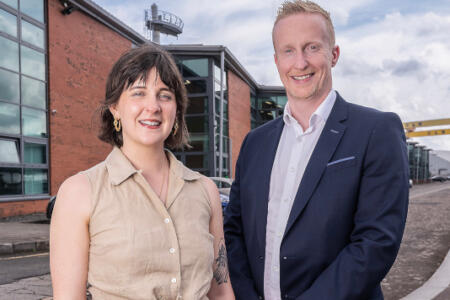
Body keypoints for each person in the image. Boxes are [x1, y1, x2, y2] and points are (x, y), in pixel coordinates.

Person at [224, 1, 409, 299]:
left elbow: (376, 243)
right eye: (288, 50)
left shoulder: (377, 131)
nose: (300, 63)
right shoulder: (254, 144)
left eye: (312, 47)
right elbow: (233, 232)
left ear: (333, 54)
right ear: (276, 60)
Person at [50, 44, 235, 300]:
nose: (153, 106)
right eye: (138, 93)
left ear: (177, 110)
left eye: (165, 95)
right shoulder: (80, 192)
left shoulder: (206, 190)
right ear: (114, 107)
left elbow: (221, 290)